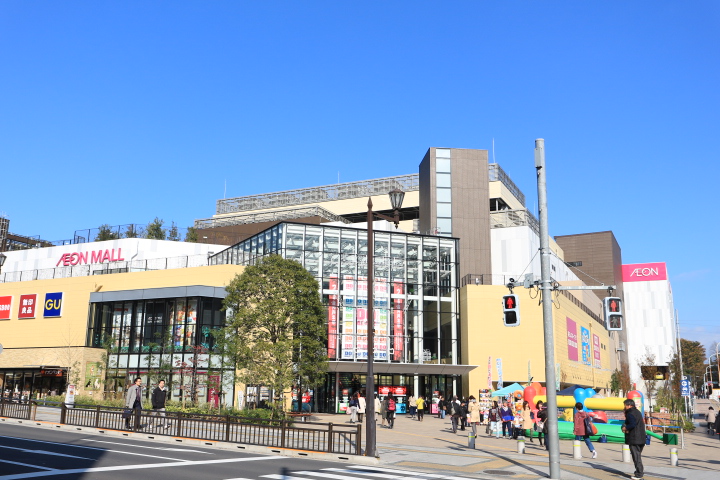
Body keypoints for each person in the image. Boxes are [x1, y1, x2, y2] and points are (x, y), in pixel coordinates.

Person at [622, 398, 646, 480]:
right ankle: (639, 472)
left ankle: (639, 474)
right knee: (638, 456)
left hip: (635, 438)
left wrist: (625, 428)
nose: (624, 407)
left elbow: (632, 424)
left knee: (636, 457)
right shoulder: (638, 412)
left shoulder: (630, 413)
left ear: (629, 405)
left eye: (625, 405)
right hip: (641, 438)